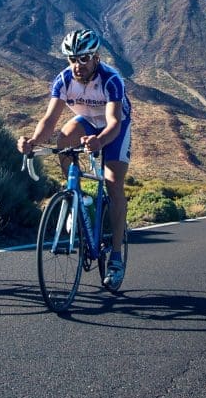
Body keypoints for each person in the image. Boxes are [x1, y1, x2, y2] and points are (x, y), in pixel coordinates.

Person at [17, 27, 132, 287]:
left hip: (115, 127)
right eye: (72, 59)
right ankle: (76, 197)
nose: (77, 65)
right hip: (87, 122)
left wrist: (100, 141)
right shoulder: (63, 80)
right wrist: (33, 141)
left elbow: (113, 121)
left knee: (113, 183)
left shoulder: (111, 80)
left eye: (83, 58)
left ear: (95, 57)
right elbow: (49, 119)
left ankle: (115, 256)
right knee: (63, 140)